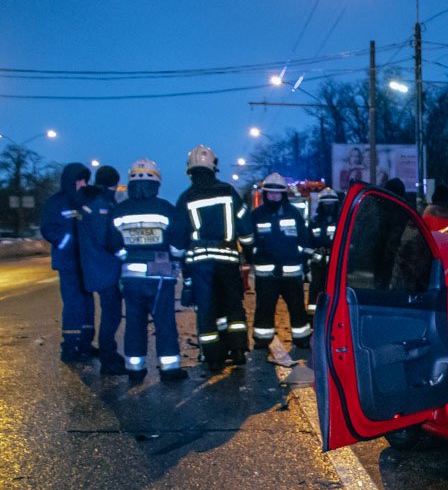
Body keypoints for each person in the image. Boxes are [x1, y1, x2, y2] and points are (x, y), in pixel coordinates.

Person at [109, 159, 189, 383]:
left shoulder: (119, 211)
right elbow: (179, 242)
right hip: (160, 275)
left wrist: (127, 257)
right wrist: (174, 256)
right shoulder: (165, 209)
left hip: (131, 277)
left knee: (134, 322)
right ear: (157, 183)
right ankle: (169, 369)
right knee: (164, 322)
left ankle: (135, 369)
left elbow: (112, 243)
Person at [176, 145, 253, 372]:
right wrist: (248, 250)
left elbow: (179, 234)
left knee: (207, 310)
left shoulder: (186, 197)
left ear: (190, 170)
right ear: (214, 167)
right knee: (233, 305)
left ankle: (213, 358)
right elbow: (244, 223)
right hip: (228, 259)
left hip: (200, 263)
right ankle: (238, 350)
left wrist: (182, 260)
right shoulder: (228, 191)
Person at [247, 173, 313, 351]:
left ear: (283, 194)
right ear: (265, 194)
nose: (274, 196)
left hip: (291, 274)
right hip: (266, 275)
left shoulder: (294, 214)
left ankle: (302, 339)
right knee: (264, 309)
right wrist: (255, 256)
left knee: (297, 308)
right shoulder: (256, 215)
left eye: (277, 193)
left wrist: (302, 260)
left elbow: (305, 240)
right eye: (270, 193)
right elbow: (248, 241)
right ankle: (262, 340)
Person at [40, 162, 96, 362]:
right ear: (71, 180)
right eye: (80, 179)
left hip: (86, 261)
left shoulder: (86, 201)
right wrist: (67, 241)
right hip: (68, 262)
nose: (83, 183)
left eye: (85, 180)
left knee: (88, 303)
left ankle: (86, 343)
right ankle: (70, 346)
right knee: (74, 303)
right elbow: (48, 228)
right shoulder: (57, 202)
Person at [76, 165, 125, 375]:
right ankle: (108, 359)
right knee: (111, 314)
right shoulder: (103, 204)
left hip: (93, 265)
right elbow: (109, 238)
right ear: (114, 182)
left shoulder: (87, 202)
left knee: (109, 313)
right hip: (106, 268)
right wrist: (124, 253)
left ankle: (109, 354)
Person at [307, 186, 340, 316]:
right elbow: (307, 243)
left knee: (334, 294)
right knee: (315, 296)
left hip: (336, 267)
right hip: (317, 267)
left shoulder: (341, 221)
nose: (328, 206)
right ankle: (313, 319)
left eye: (331, 204)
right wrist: (313, 256)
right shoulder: (314, 222)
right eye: (325, 203)